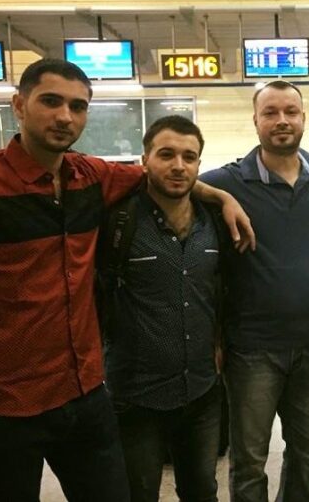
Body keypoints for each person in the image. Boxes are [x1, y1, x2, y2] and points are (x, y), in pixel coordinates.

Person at [0, 58, 253, 502]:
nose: (65, 116)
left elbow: (165, 177)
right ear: (19, 105)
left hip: (84, 398)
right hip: (3, 408)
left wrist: (221, 197)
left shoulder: (89, 178)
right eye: (51, 101)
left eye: (78, 106)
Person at [200, 80, 309, 502]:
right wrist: (219, 197)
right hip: (251, 352)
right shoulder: (230, 180)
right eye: (270, 112)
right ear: (255, 120)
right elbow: (169, 181)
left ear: (304, 118)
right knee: (249, 461)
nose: (281, 120)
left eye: (290, 112)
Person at [101, 115, 229, 502]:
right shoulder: (119, 221)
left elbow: (220, 291)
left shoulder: (214, 222)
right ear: (145, 160)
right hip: (136, 396)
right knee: (138, 493)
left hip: (202, 391)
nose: (178, 166)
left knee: (202, 491)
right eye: (166, 154)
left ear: (199, 164)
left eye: (189, 157)